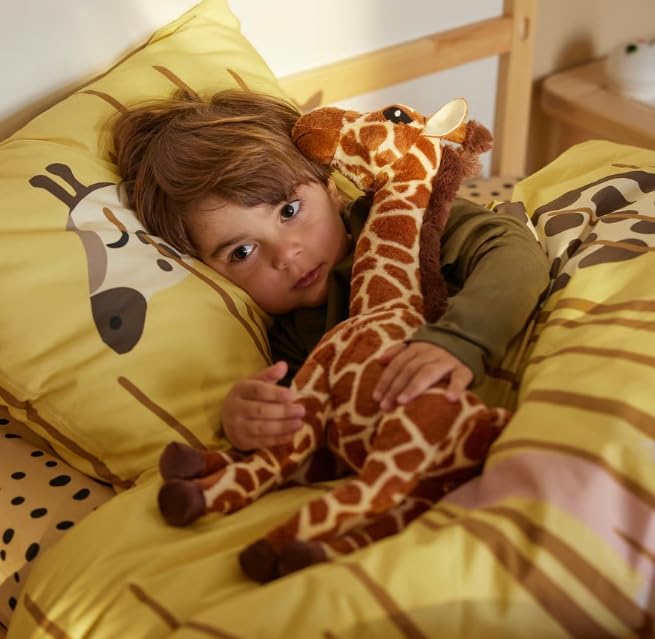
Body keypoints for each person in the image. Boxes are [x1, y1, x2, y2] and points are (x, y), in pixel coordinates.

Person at [112, 88, 550, 452]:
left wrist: (462, 341)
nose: (286, 254)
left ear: (330, 187)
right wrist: (243, 422)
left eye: (289, 210)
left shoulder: (404, 216)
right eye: (242, 252)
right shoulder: (289, 341)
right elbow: (312, 426)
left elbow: (512, 251)